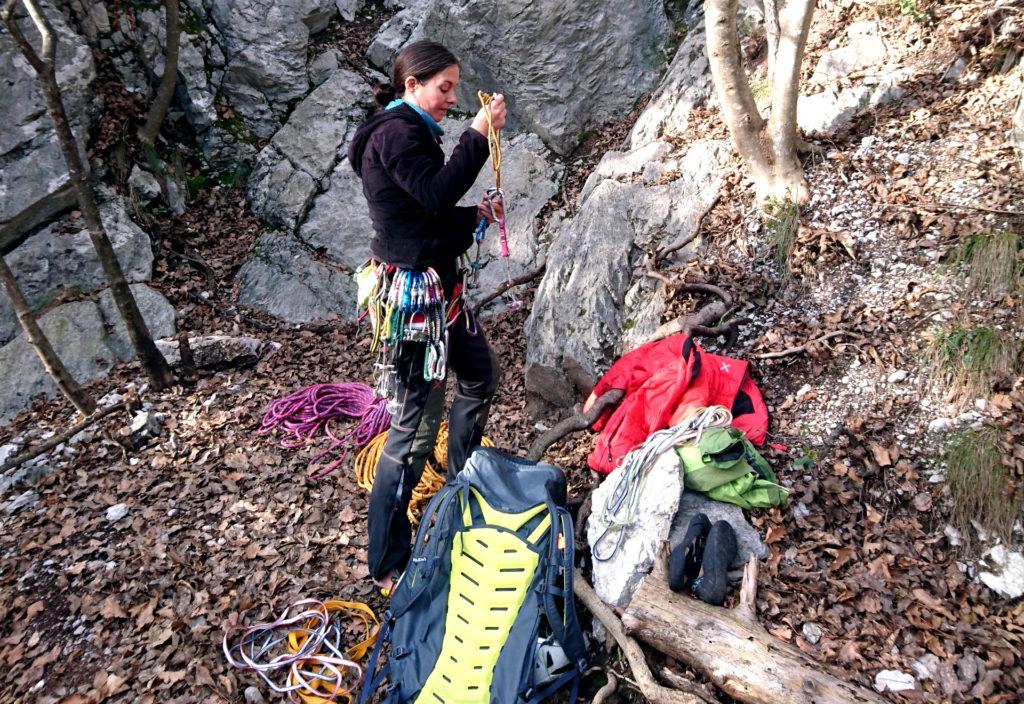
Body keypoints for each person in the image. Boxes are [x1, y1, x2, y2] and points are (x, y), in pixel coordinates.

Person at [347, 40, 507, 592]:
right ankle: (388, 558)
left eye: (455, 87)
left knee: (482, 374)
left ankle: (463, 485)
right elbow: (436, 194)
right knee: (415, 426)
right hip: (415, 300)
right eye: (444, 87)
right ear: (412, 85)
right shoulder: (396, 133)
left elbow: (420, 215)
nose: (452, 98)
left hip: (438, 286)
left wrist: (475, 218)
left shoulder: (407, 132)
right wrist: (479, 134)